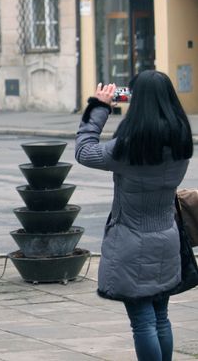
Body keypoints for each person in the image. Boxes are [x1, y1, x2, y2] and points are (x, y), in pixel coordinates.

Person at [75, 70, 193, 361]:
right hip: (168, 239)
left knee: (143, 322)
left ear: (136, 102)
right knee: (161, 318)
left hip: (130, 242)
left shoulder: (128, 148)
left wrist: (99, 107)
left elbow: (84, 151)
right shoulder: (181, 143)